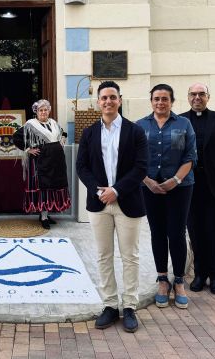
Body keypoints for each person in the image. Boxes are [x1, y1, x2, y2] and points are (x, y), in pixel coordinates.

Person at [76, 81, 148, 332]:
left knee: (130, 256)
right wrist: (100, 190)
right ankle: (109, 305)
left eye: (112, 97)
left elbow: (141, 167)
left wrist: (116, 190)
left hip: (127, 201)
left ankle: (129, 306)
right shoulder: (89, 133)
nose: (108, 101)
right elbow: (81, 167)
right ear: (98, 102)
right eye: (104, 98)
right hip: (99, 204)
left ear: (119, 100)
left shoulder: (135, 131)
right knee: (103, 256)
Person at [137, 84, 196, 309]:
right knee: (158, 233)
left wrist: (175, 181)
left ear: (172, 101)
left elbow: (189, 157)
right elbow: (135, 159)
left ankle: (179, 281)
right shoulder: (141, 126)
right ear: (151, 101)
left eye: (165, 99)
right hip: (150, 187)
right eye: (156, 99)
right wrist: (148, 181)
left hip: (180, 188)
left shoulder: (183, 124)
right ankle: (163, 279)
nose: (160, 103)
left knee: (177, 233)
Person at [180, 83, 215, 295]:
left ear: (208, 97)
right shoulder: (181, 121)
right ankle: (200, 274)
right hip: (190, 185)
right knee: (195, 231)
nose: (197, 98)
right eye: (193, 94)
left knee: (214, 231)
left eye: (201, 94)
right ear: (188, 97)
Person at [12, 99, 71, 229]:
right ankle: (43, 217)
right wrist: (29, 149)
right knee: (43, 187)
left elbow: (63, 133)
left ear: (49, 111)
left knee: (52, 187)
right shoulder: (31, 124)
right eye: (40, 110)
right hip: (41, 162)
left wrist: (61, 142)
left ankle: (46, 214)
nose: (43, 112)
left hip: (56, 161)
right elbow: (16, 137)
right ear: (36, 112)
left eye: (45, 110)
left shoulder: (54, 123)